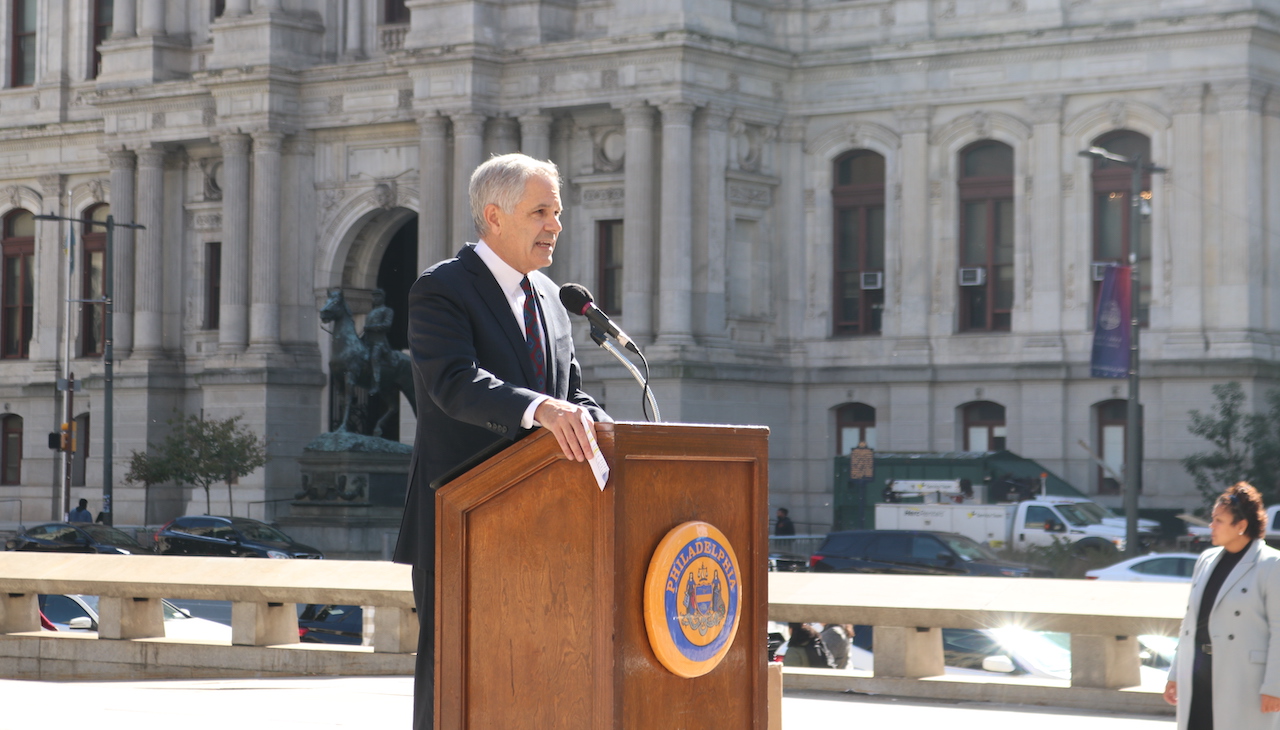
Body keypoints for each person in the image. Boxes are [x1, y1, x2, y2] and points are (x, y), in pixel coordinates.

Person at [392, 153, 611, 730]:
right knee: (457, 676)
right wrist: (539, 409)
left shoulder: (552, 301)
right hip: (465, 518)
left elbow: (572, 394)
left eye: (557, 212)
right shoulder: (442, 289)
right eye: (540, 211)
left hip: (548, 522)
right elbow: (453, 382)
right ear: (493, 215)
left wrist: (611, 431)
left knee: (534, 670)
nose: (555, 226)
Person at [1164, 482, 1280, 730]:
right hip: (1198, 672)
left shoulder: (1271, 564)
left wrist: (1274, 687)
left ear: (1241, 526)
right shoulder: (1206, 559)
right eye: (1212, 519)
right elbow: (1190, 622)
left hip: (1243, 678)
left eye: (1218, 520)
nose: (1211, 526)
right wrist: (1175, 673)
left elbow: (1279, 630)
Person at [363, 288, 395, 396]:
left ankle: (376, 384)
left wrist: (371, 327)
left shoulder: (387, 311)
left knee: (374, 358)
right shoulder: (371, 312)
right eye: (374, 297)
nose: (375, 299)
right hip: (368, 342)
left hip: (379, 342)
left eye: (378, 296)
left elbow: (387, 325)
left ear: (383, 298)